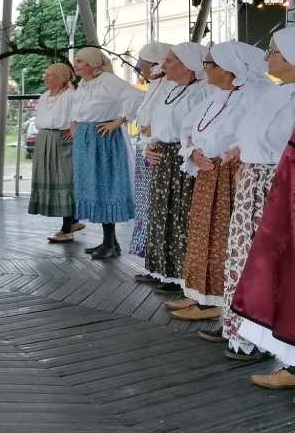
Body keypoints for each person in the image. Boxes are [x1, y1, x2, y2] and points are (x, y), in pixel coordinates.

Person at [169, 42, 263, 322]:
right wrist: (192, 153)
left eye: (209, 64)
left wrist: (234, 154)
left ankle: (219, 301)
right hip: (208, 173)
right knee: (202, 234)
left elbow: (251, 136)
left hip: (230, 174)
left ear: (227, 69)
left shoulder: (252, 97)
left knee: (223, 237)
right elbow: (188, 129)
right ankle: (200, 294)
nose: (205, 69)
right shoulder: (214, 96)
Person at [220, 28, 295, 366]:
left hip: (279, 186)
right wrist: (243, 152)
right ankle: (244, 333)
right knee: (246, 258)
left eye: (274, 51)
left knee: (271, 265)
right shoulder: (273, 94)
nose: (267, 58)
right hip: (255, 182)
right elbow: (253, 134)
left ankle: (270, 340)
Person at [142, 43, 213, 288]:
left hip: (185, 160)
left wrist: (190, 153)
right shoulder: (171, 89)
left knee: (183, 214)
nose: (164, 64)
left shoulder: (203, 91)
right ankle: (164, 269)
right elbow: (158, 125)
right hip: (164, 158)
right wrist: (150, 146)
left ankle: (183, 276)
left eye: (171, 60)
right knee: (162, 214)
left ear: (188, 65)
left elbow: (201, 130)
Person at [68, 47, 144, 260]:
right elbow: (78, 109)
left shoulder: (108, 80)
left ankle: (110, 243)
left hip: (103, 139)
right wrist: (75, 124)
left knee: (105, 186)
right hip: (87, 138)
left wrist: (119, 121)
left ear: (93, 64)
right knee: (94, 186)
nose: (76, 65)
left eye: (80, 61)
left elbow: (137, 97)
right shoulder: (84, 84)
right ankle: (110, 242)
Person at [128, 42, 171, 263]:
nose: (139, 68)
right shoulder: (155, 86)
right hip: (146, 147)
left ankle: (158, 259)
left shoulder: (169, 86)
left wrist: (153, 130)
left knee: (157, 206)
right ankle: (151, 258)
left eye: (142, 63)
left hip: (157, 148)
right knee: (147, 205)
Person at [27, 63, 80, 243]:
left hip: (61, 139)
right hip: (44, 139)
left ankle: (67, 227)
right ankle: (72, 221)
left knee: (64, 178)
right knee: (51, 179)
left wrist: (74, 129)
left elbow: (82, 114)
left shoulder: (71, 95)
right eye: (46, 74)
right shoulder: (45, 96)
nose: (45, 77)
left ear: (60, 78)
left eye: (49, 74)